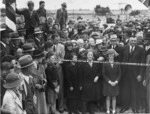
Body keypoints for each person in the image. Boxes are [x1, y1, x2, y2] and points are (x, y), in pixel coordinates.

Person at [120, 37, 145, 113]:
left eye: (134, 40)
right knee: (125, 91)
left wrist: (140, 74)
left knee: (134, 91)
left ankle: (135, 107)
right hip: (125, 73)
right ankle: (125, 106)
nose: (133, 42)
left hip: (135, 74)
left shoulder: (140, 49)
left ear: (136, 41)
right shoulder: (124, 48)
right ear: (129, 41)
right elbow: (121, 60)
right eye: (132, 40)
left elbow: (142, 62)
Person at [80, 49, 102, 114]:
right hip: (86, 83)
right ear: (86, 56)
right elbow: (81, 75)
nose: (90, 56)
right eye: (89, 55)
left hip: (93, 83)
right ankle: (84, 111)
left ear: (93, 56)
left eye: (91, 55)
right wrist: (81, 85)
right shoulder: (83, 64)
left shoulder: (96, 63)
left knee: (92, 98)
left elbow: (100, 71)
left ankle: (90, 110)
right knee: (85, 98)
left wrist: (97, 76)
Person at [102, 49, 121, 114]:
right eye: (110, 55)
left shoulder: (117, 63)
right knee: (108, 97)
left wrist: (116, 81)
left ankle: (113, 110)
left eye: (112, 55)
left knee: (114, 96)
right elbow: (104, 74)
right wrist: (109, 82)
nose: (111, 57)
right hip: (108, 83)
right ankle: (107, 110)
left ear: (114, 56)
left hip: (115, 83)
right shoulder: (105, 63)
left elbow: (119, 74)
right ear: (108, 56)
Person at [31, 49, 48, 114]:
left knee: (42, 106)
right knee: (36, 106)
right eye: (42, 57)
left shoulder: (41, 66)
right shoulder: (31, 67)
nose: (43, 58)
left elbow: (44, 76)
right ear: (38, 57)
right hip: (34, 91)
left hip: (41, 90)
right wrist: (35, 85)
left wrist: (44, 81)